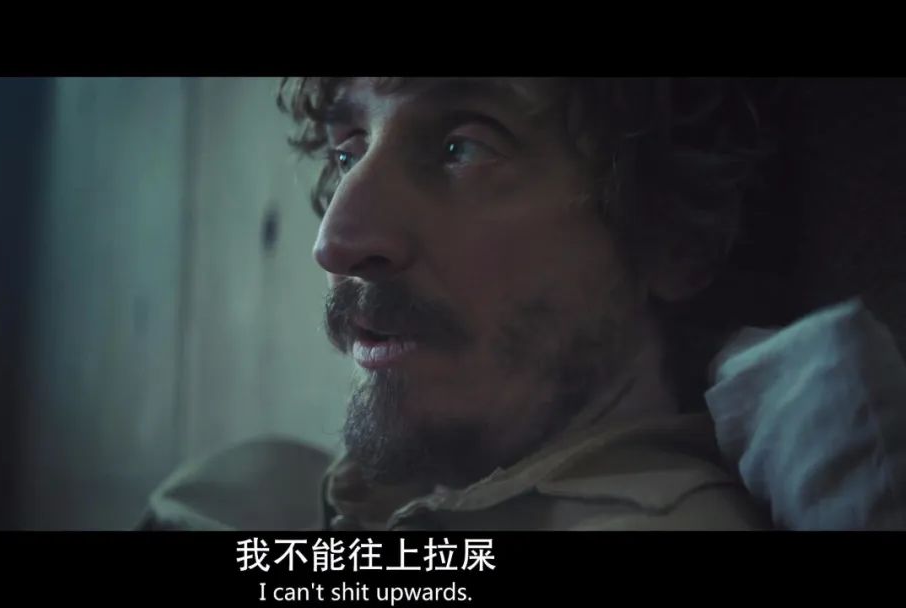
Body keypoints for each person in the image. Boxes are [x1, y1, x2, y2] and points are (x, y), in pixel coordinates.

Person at [139, 78, 906, 531]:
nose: (336, 240)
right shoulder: (242, 492)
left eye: (462, 146)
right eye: (348, 151)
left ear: (673, 237)